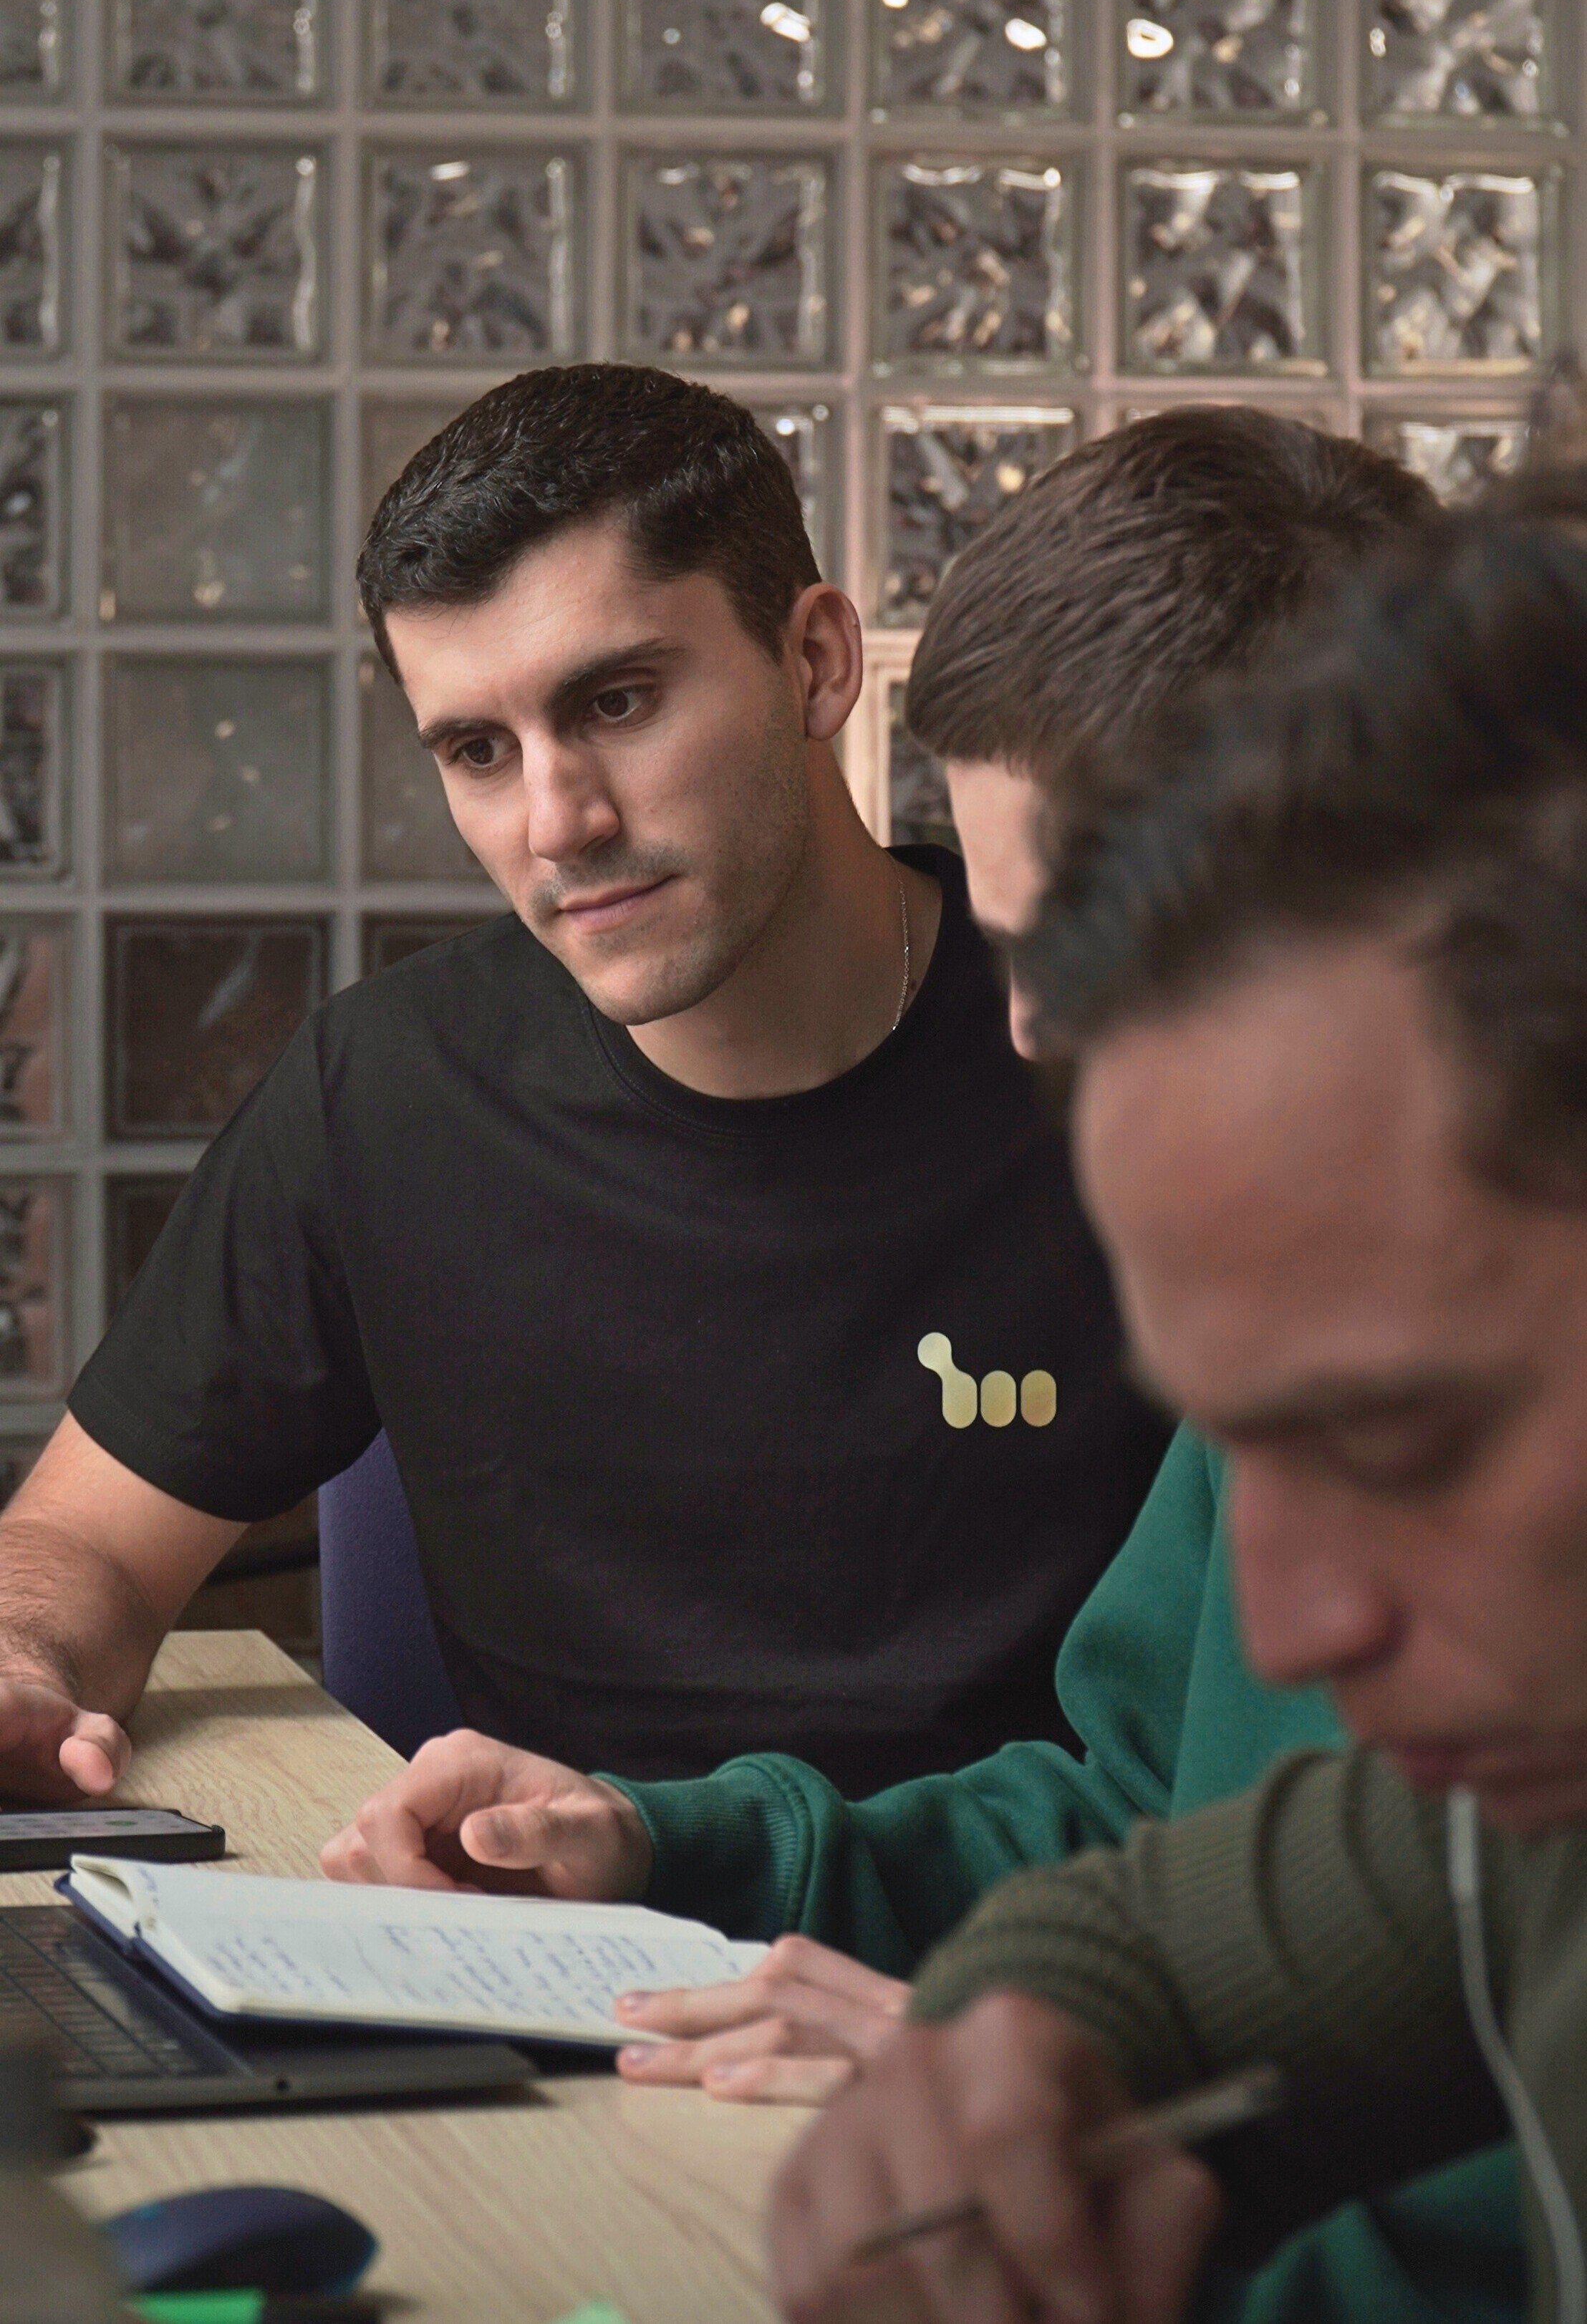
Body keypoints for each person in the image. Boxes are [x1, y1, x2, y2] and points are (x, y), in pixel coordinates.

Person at [328, 416, 1525, 2320]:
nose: (1034, 1026)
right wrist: (703, 1855)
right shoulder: (1316, 1241)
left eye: (1101, 949)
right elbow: (1238, 1838)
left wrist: (1139, 2168)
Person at [0, 364, 1168, 1808]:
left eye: (615, 700)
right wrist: (24, 1663)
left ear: (814, 661)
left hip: (1042, 1963)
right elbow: (88, 1543)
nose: (558, 821)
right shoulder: (389, 1092)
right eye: (478, 751)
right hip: (559, 1977)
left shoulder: (1118, 1051)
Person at [767, 487, 1587, 2324]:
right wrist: (1010, 2045)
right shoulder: (1525, 1809)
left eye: (1400, 1437)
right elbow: (1157, 1917)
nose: (1286, 1621)